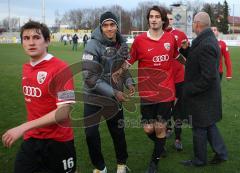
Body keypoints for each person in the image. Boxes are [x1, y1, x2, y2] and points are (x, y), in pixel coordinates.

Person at [113, 6, 184, 173]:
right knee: (148, 129)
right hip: (146, 93)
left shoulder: (170, 39)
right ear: (148, 20)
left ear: (162, 20)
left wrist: (190, 63)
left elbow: (176, 56)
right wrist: (118, 73)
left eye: (157, 16)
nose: (154, 19)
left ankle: (154, 163)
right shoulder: (139, 41)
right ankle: (161, 143)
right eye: (151, 16)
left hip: (166, 92)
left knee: (160, 128)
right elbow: (130, 60)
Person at [1, 21, 77, 173]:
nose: (31, 42)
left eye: (36, 37)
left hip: (58, 141)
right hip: (32, 139)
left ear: (47, 41)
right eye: (26, 38)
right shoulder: (27, 68)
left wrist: (24, 126)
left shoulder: (62, 69)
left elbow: (64, 112)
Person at [82, 11, 135, 173]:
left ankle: (121, 164)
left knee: (118, 132)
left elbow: (123, 68)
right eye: (105, 25)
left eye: (112, 25)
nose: (109, 28)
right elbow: (89, 76)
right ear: (101, 26)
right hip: (93, 97)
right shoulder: (92, 44)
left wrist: (129, 82)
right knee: (91, 134)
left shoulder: (122, 44)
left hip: (114, 98)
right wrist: (115, 92)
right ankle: (100, 167)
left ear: (117, 26)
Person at [180, 12, 228, 167]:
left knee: (199, 128)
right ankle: (221, 153)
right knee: (209, 125)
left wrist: (189, 89)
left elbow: (208, 77)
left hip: (202, 97)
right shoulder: (205, 40)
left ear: (198, 24)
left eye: (193, 22)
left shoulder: (206, 43)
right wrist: (186, 51)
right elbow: (197, 61)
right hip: (205, 96)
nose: (192, 25)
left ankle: (200, 160)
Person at [165, 10, 189, 151]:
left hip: (179, 79)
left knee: (178, 110)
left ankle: (178, 138)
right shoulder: (159, 35)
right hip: (164, 80)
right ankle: (168, 128)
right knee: (165, 107)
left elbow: (187, 56)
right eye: (166, 19)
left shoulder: (181, 35)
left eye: (171, 19)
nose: (169, 21)